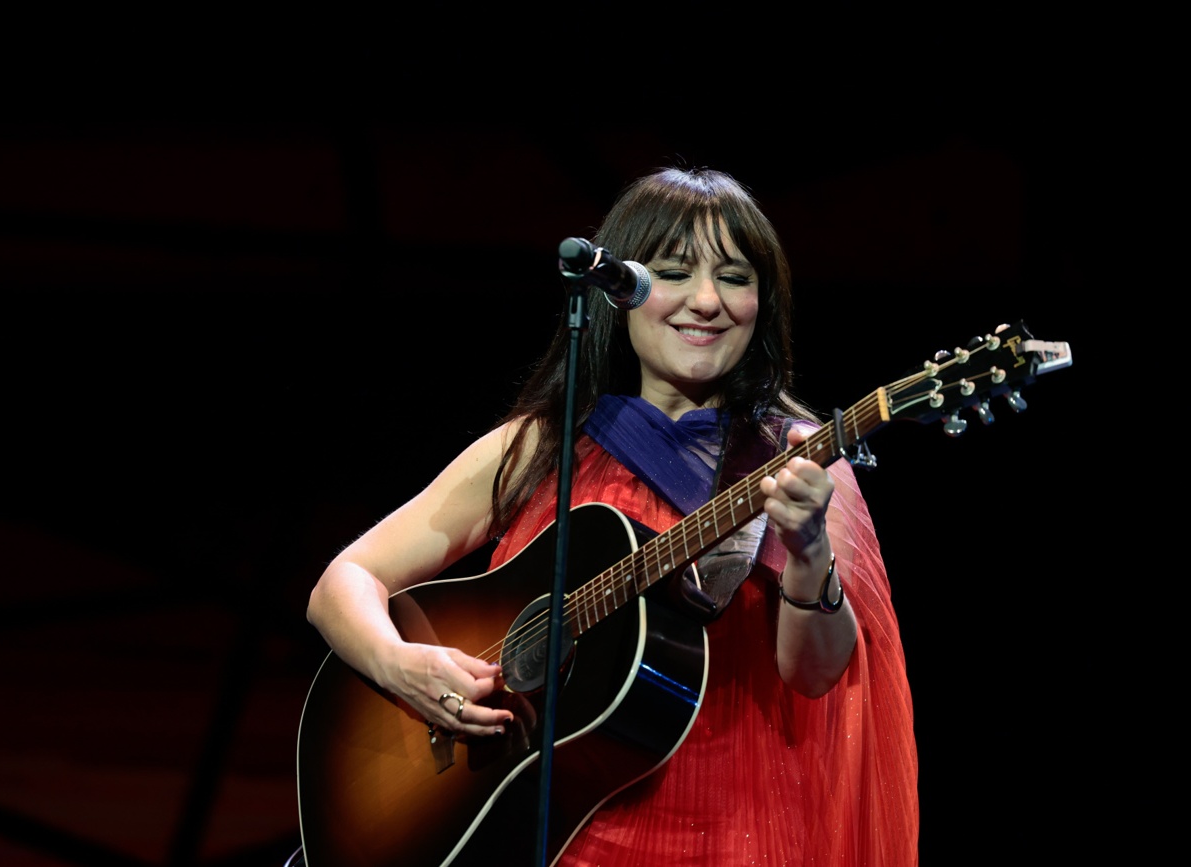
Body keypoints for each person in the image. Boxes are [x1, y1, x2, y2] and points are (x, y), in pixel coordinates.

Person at [305, 166, 919, 866]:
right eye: (674, 272)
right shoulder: (541, 444)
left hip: (738, 826)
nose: (707, 301)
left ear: (763, 301)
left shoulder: (796, 457)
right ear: (618, 291)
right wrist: (399, 663)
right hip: (560, 829)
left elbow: (816, 676)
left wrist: (810, 553)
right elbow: (343, 581)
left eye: (736, 277)